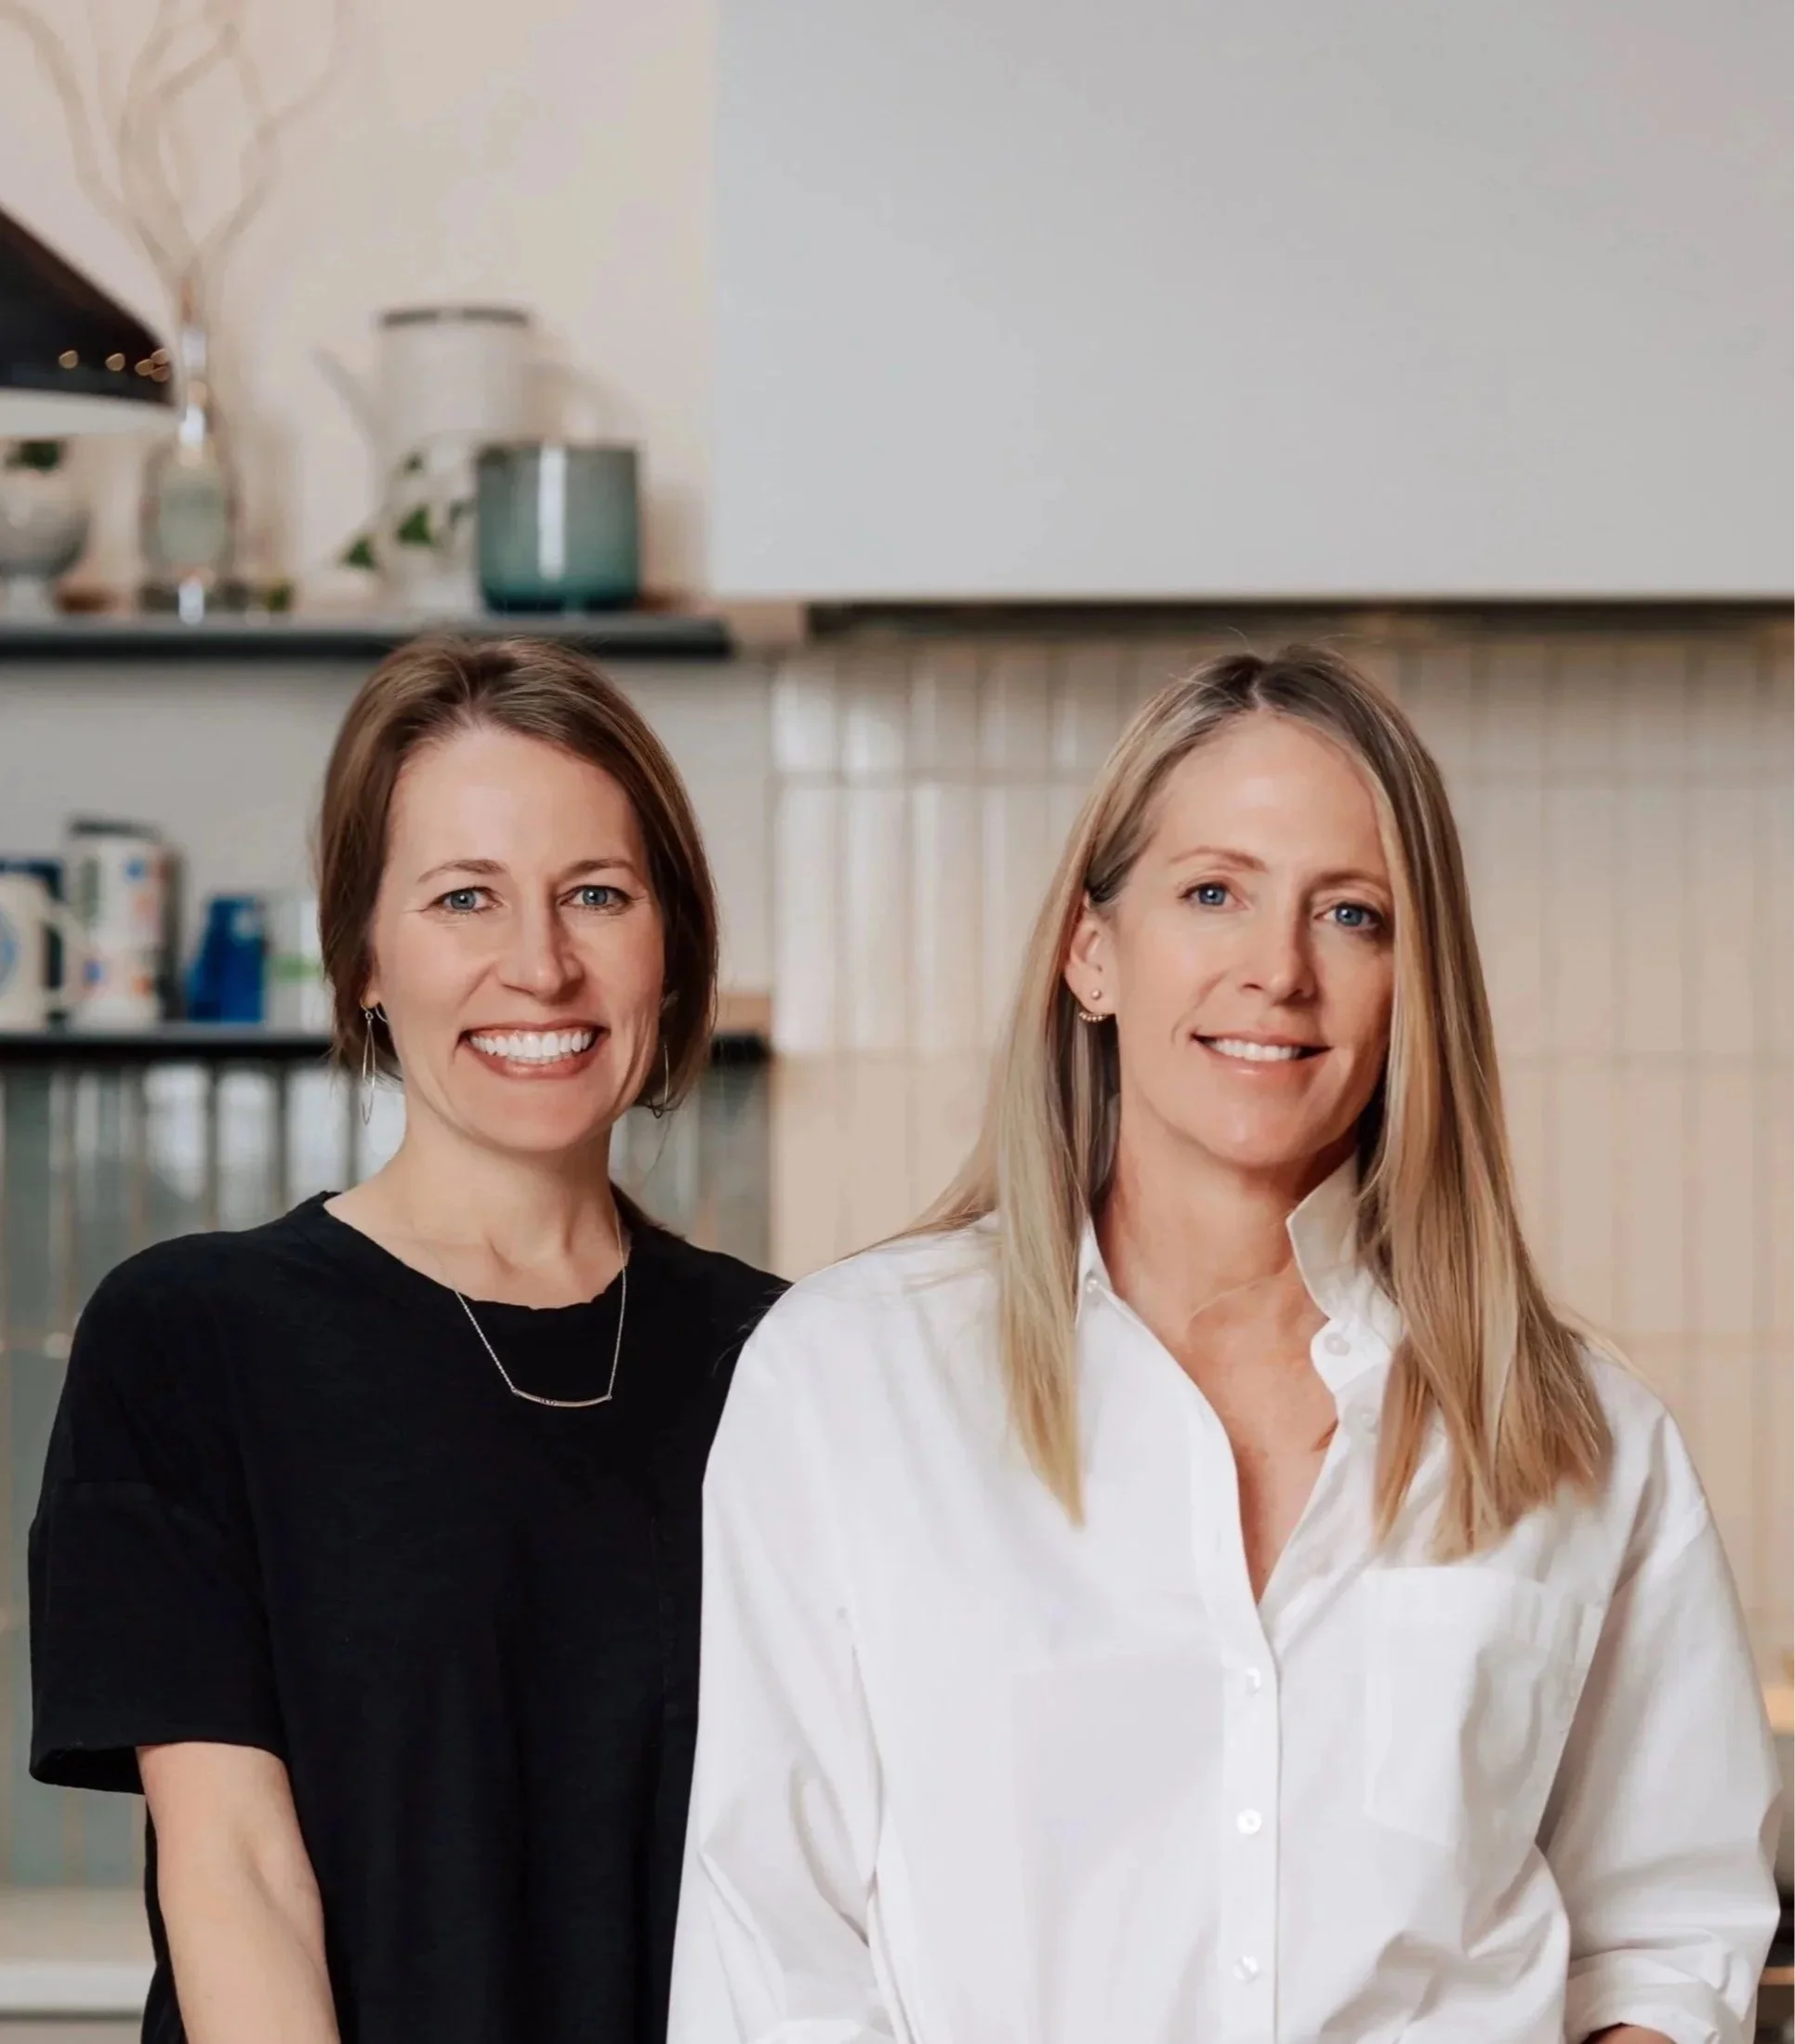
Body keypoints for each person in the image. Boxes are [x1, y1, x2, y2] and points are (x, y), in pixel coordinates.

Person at [669, 646, 1780, 2044]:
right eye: (1213, 893)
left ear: (1415, 986)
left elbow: (1664, 1929)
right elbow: (774, 1950)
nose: (1278, 972)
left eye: (1353, 916)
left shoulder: (1582, 1439)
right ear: (1091, 953)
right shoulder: (848, 1381)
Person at [31, 637, 784, 2044]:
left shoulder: (791, 1362)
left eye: (597, 894)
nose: (540, 964)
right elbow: (239, 1873)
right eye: (463, 898)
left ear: (668, 948)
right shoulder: (194, 1340)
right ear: (365, 957)